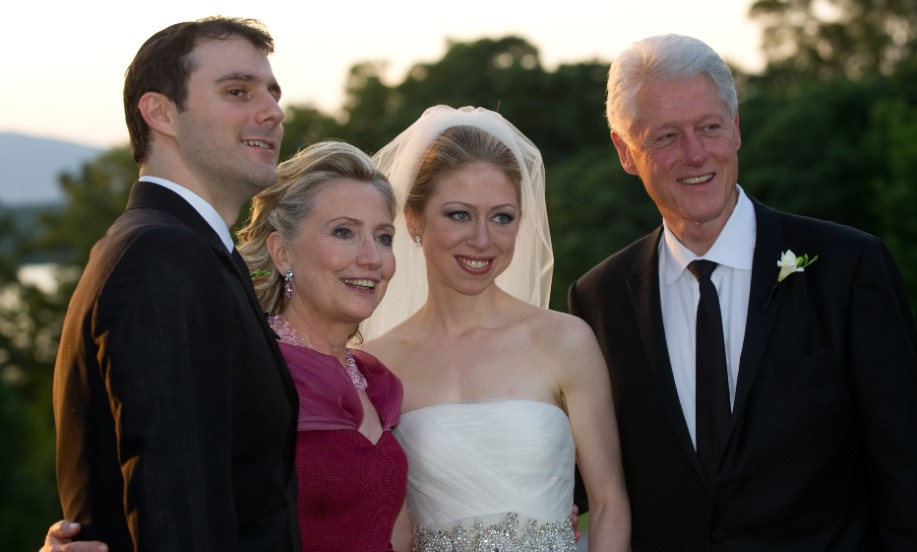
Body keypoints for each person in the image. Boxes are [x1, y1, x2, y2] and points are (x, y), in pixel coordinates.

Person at [567, 34, 917, 551]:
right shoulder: (598, 300)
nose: (696, 154)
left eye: (710, 127)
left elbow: (910, 474)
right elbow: (584, 478)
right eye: (665, 137)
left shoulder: (849, 267)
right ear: (625, 151)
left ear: (737, 130)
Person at [50, 17, 301, 551]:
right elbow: (177, 509)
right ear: (160, 112)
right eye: (239, 91)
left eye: (273, 95)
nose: (273, 111)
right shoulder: (161, 258)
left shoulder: (197, 253)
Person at [360, 105, 631, 551]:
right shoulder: (379, 363)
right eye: (459, 215)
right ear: (413, 219)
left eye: (502, 217)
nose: (483, 240)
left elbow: (608, 503)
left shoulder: (566, 341)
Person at [236, 140, 407, 551]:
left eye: (383, 237)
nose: (372, 258)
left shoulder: (377, 384)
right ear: (281, 252)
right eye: (344, 232)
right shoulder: (250, 373)